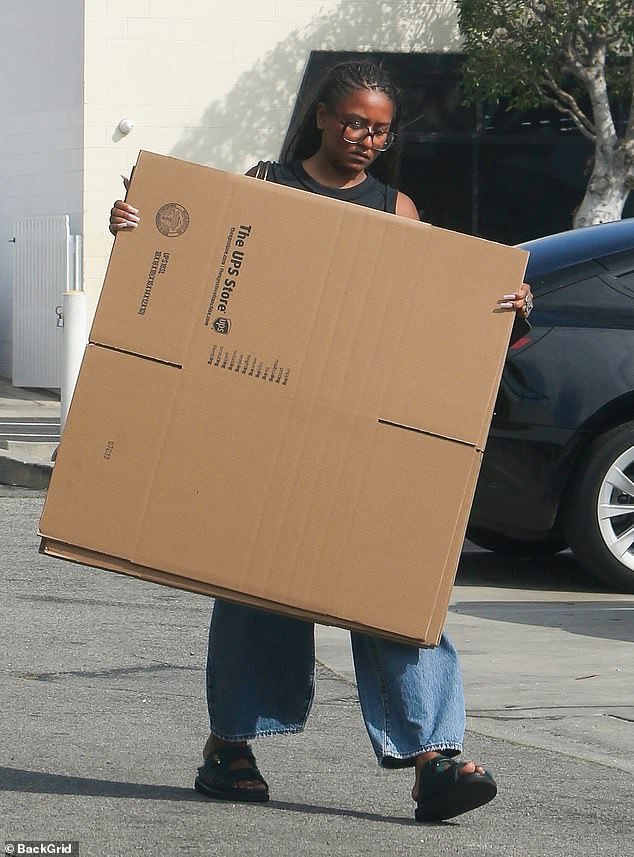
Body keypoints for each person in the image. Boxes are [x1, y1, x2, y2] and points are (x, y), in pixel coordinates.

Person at [109, 60, 533, 823]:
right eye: (352, 122)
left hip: (358, 421)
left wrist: (502, 302)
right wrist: (137, 229)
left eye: (379, 127)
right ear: (322, 118)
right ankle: (231, 745)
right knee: (254, 586)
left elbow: (427, 303)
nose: (366, 137)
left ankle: (435, 759)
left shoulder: (395, 207)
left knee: (393, 583)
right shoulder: (267, 184)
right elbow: (200, 255)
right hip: (263, 411)